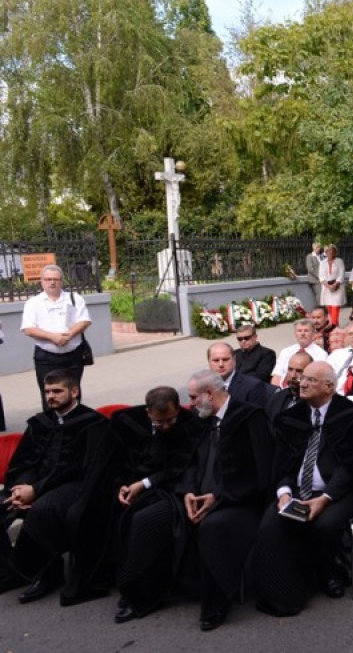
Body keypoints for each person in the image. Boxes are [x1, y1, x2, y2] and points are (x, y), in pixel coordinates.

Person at [252, 362, 353, 616]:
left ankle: (328, 572)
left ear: (329, 387)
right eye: (303, 378)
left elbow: (351, 467)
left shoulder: (351, 416)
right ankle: (283, 592)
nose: (302, 383)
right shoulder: (290, 417)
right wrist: (284, 493)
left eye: (311, 380)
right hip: (296, 490)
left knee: (324, 524)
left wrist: (325, 498)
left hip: (340, 492)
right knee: (271, 526)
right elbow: (281, 462)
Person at [0, 370, 111, 602]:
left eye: (57, 391)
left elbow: (82, 467)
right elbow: (23, 460)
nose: (51, 396)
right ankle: (12, 571)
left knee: (42, 510)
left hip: (73, 485)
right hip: (33, 485)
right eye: (47, 391)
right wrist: (20, 487)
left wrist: (36, 490)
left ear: (74, 391)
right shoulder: (40, 423)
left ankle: (46, 574)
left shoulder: (93, 424)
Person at [179, 372, 273, 630]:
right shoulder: (202, 420)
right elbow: (189, 462)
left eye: (194, 398)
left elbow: (260, 472)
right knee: (166, 514)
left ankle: (215, 603)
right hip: (201, 497)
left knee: (213, 527)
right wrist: (188, 491)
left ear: (210, 394)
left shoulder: (249, 418)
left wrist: (218, 497)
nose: (191, 404)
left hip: (241, 502)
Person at [106, 387, 207, 623]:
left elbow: (181, 467)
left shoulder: (191, 425)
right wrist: (123, 486)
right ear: (148, 412)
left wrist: (144, 484)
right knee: (107, 507)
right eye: (159, 421)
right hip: (134, 485)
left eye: (171, 419)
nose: (166, 426)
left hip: (172, 488)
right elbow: (117, 461)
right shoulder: (127, 421)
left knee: (145, 521)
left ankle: (138, 591)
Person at [21, 264, 92, 406]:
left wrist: (69, 335)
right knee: (50, 394)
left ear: (61, 281)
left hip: (73, 356)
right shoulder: (33, 303)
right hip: (46, 358)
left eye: (56, 279)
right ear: (41, 281)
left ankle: (74, 418)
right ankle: (52, 420)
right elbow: (28, 329)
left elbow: (85, 321)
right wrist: (52, 337)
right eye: (48, 279)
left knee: (73, 392)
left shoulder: (74, 298)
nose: (52, 282)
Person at [207, 342, 272, 409]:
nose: (221, 364)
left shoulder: (253, 386)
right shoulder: (203, 387)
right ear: (209, 362)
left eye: (225, 360)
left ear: (234, 360)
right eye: (216, 360)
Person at [270, 319, 329, 386]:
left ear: (313, 333)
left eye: (306, 331)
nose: (302, 334)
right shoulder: (286, 351)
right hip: (283, 389)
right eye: (299, 331)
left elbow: (317, 379)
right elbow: (276, 376)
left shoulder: (321, 354)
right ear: (295, 333)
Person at [318, 244, 346, 327]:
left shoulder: (339, 261)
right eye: (328, 251)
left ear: (335, 253)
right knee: (329, 307)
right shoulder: (322, 263)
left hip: (337, 286)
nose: (330, 253)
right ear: (326, 253)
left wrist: (335, 284)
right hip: (326, 287)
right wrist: (328, 286)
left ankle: (334, 325)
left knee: (335, 306)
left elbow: (341, 274)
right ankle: (333, 323)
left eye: (332, 251)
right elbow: (321, 276)